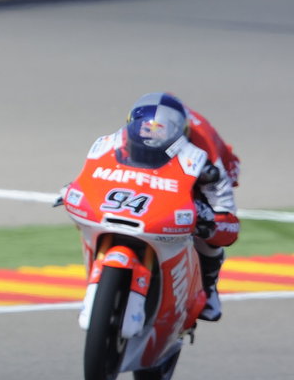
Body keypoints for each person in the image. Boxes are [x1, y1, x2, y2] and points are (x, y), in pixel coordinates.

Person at [90, 92, 239, 321]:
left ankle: (209, 287)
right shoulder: (122, 138)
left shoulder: (205, 150)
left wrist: (211, 220)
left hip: (215, 168)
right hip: (160, 170)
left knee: (206, 224)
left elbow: (227, 218)